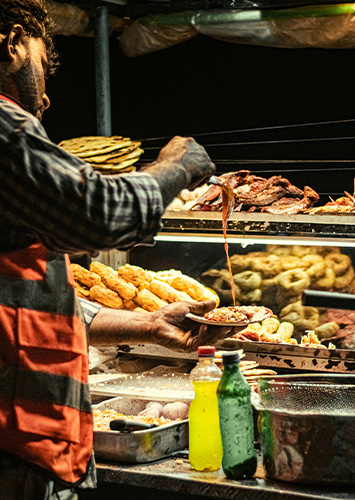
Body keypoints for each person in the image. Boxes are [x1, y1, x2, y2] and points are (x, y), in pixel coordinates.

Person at [0, 1, 234, 499]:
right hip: (15, 450)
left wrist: (144, 325)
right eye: (41, 67)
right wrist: (176, 165)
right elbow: (100, 215)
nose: (44, 99)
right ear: (13, 42)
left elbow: (24, 295)